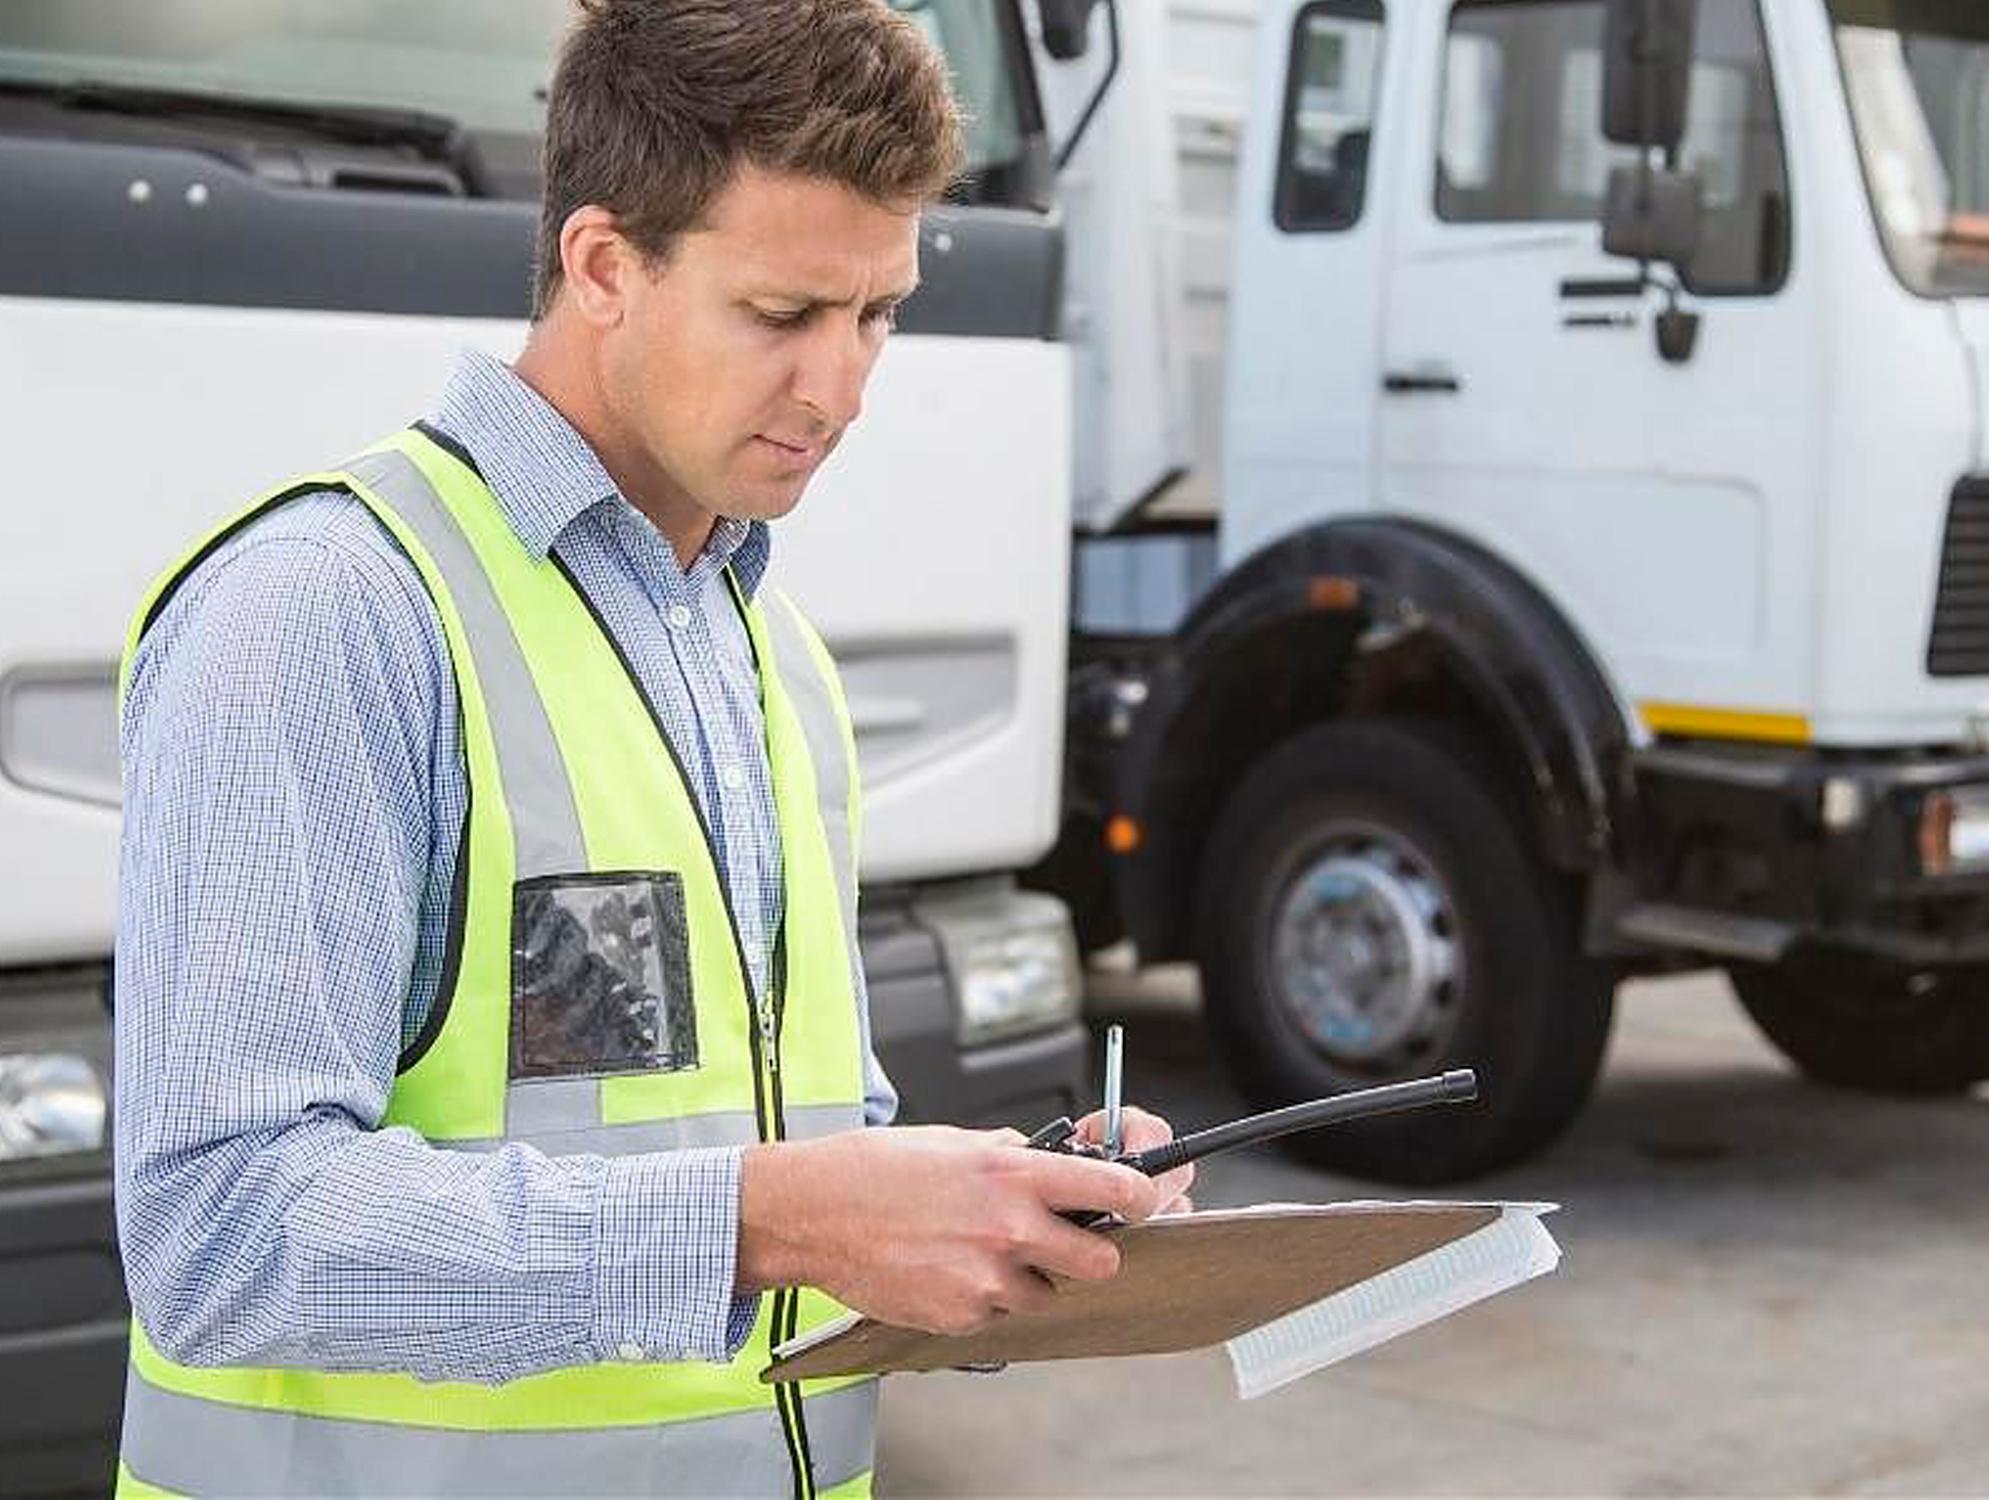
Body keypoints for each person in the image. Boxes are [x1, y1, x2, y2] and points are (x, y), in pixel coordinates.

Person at [109, 2, 1190, 1495]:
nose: (843, 390)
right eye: (784, 315)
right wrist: (777, 1221)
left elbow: (779, 1140)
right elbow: (219, 1236)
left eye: (878, 315)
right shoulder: (328, 613)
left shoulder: (771, 654)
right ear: (605, 266)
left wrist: (994, 1211)